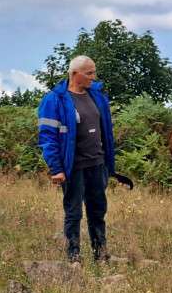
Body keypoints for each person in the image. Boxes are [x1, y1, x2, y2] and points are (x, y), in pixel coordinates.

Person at [36, 55, 116, 263]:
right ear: (74, 74)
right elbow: (47, 138)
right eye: (89, 73)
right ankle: (74, 257)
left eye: (94, 72)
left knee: (97, 211)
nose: (93, 77)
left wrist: (108, 164)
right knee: (74, 212)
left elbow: (106, 131)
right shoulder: (54, 100)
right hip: (73, 167)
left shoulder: (97, 97)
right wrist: (56, 168)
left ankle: (100, 255)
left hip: (97, 164)